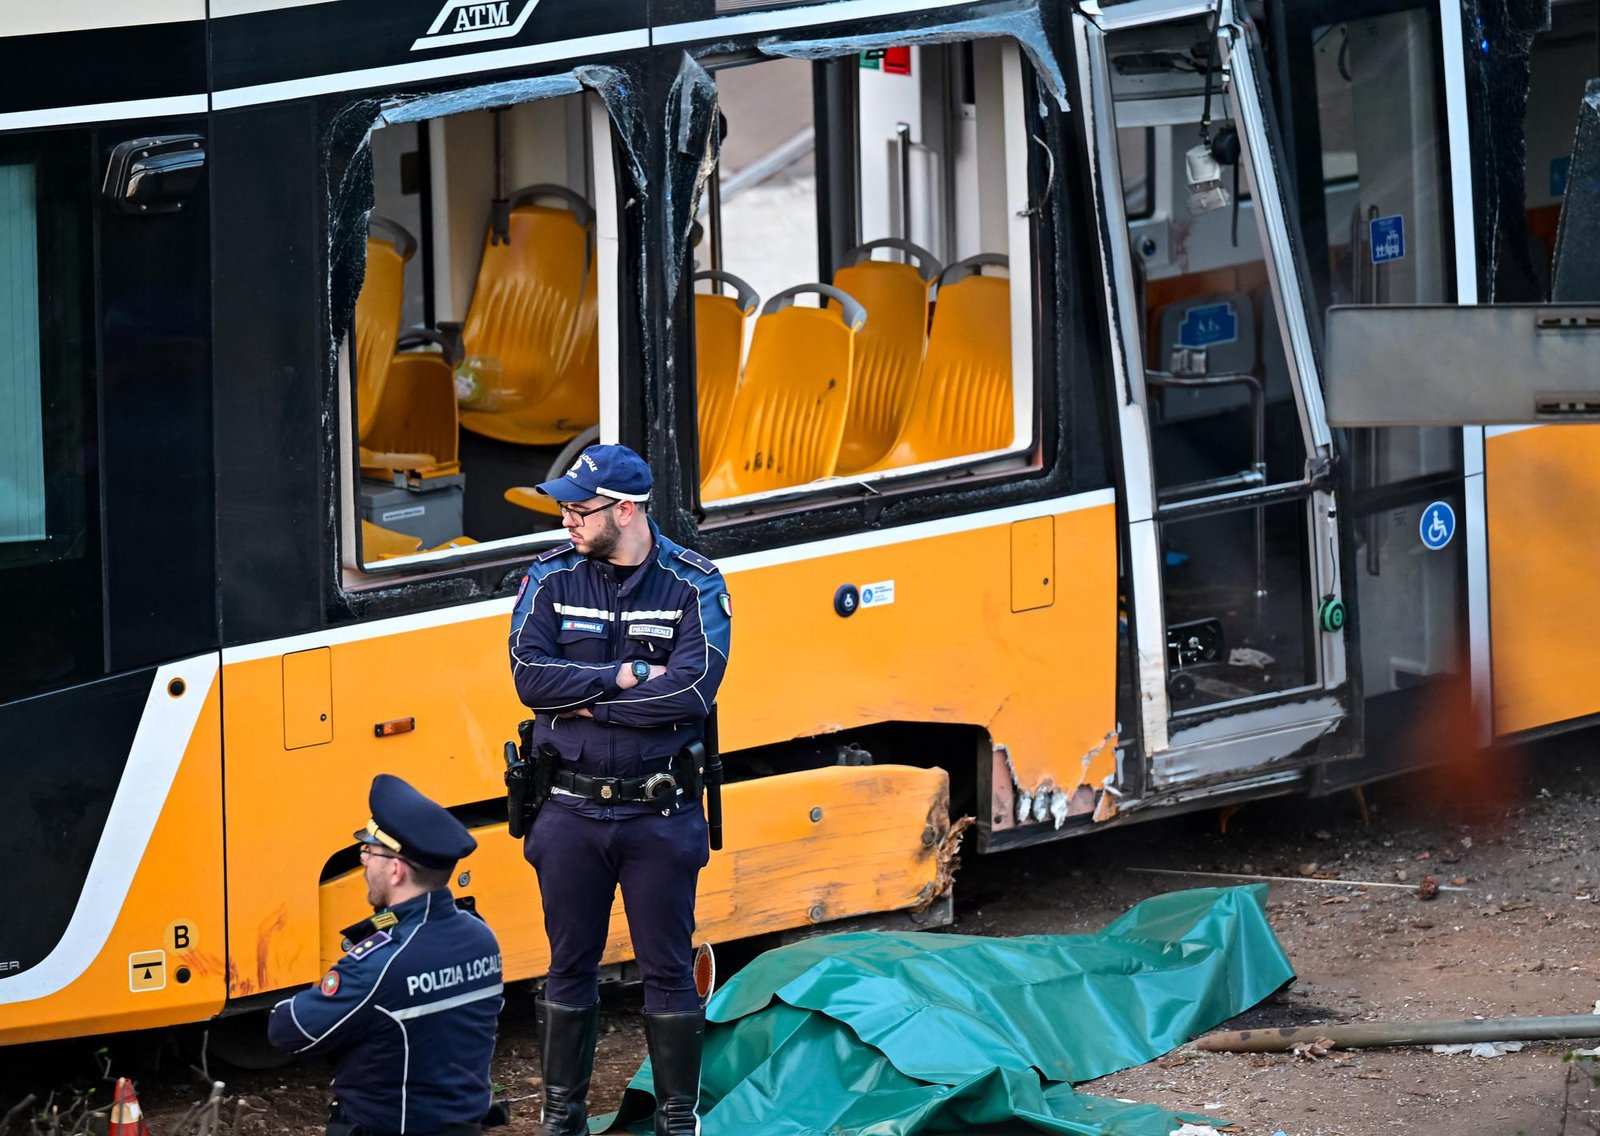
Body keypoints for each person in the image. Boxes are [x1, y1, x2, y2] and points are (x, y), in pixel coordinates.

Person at [507, 443, 731, 1136]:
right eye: (566, 510)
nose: (567, 522)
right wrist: (624, 677)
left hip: (659, 814)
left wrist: (584, 705)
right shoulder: (549, 578)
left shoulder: (694, 584)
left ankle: (677, 1124)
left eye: (580, 510)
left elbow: (691, 693)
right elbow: (528, 678)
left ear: (625, 510)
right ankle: (561, 1123)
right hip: (568, 812)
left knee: (667, 970)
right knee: (567, 967)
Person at [268, 775, 504, 1136]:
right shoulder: (481, 937)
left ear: (396, 870)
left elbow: (288, 1029)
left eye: (370, 852)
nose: (364, 861)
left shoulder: (382, 964)